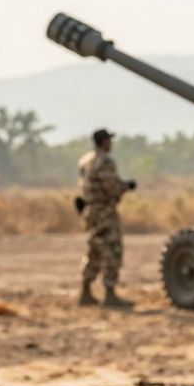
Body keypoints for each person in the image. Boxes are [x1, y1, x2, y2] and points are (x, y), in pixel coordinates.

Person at [77, 128, 136, 308]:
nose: (111, 143)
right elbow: (111, 187)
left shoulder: (85, 160)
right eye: (109, 140)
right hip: (105, 212)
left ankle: (85, 291)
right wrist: (126, 186)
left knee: (94, 250)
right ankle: (110, 294)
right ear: (104, 142)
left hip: (91, 211)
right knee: (112, 250)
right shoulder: (104, 161)